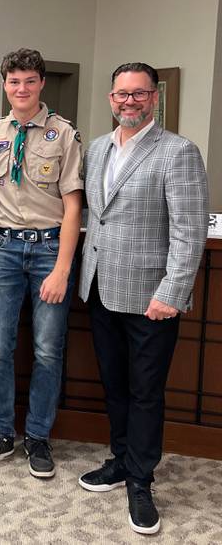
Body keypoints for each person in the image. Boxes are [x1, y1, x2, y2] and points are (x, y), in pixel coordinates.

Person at [78, 62, 208, 535]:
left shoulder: (178, 151)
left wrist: (171, 293)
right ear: (110, 98)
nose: (128, 101)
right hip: (100, 288)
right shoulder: (97, 148)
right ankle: (120, 459)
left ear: (155, 97)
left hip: (152, 297)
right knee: (114, 385)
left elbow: (189, 230)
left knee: (145, 392)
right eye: (121, 94)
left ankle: (140, 479)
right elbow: (97, 215)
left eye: (138, 93)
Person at [0, 49, 83, 478]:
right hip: (3, 248)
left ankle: (37, 436)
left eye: (30, 81)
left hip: (49, 249)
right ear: (5, 85)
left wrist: (62, 270)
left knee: (47, 350)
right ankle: (0, 432)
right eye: (14, 81)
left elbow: (73, 207)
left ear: (41, 84)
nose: (22, 89)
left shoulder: (64, 134)